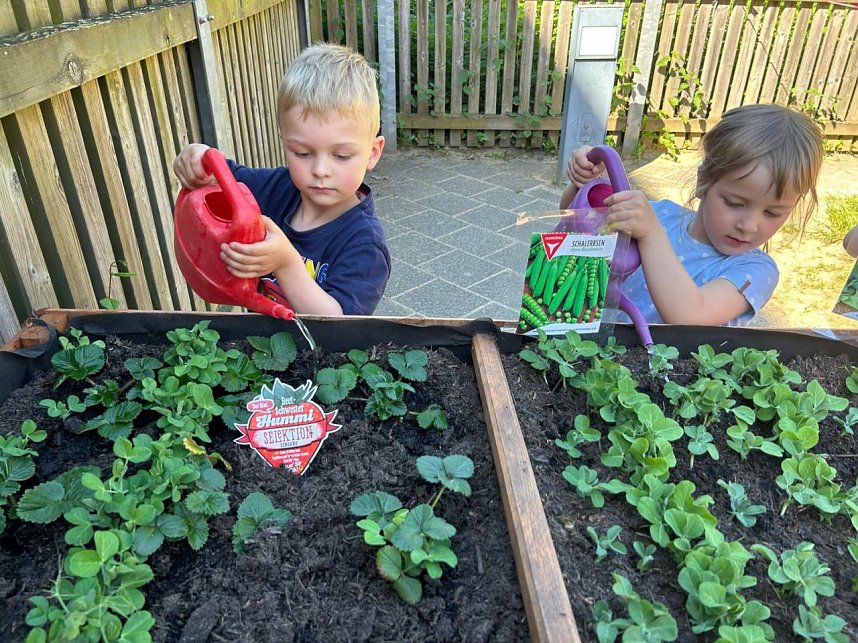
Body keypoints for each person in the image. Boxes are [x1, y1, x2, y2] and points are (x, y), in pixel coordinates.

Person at [173, 43, 389, 316]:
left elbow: (340, 326)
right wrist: (197, 156)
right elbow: (220, 177)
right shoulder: (277, 188)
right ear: (285, 141)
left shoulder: (364, 243)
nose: (320, 170)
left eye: (341, 156)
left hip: (318, 357)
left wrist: (286, 264)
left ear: (372, 153)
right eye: (302, 152)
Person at [559, 104, 823, 326]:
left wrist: (652, 235)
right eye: (734, 203)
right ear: (703, 183)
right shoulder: (659, 214)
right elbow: (575, 229)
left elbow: (689, 316)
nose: (749, 226)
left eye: (773, 213)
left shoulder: (754, 271)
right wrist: (583, 184)